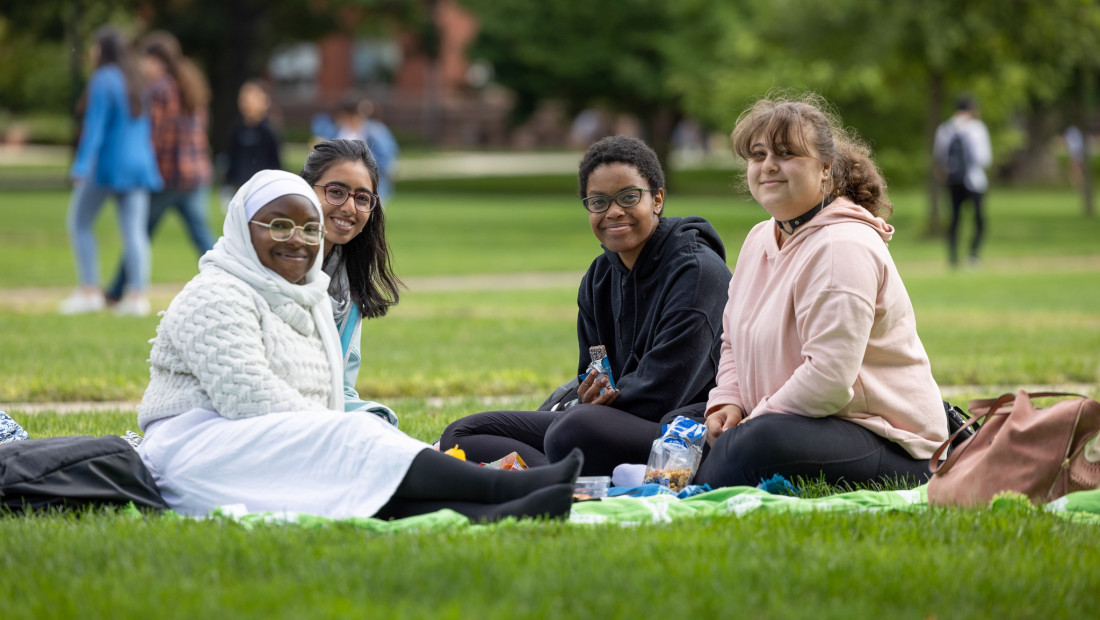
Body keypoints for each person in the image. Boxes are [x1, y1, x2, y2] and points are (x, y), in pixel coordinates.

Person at [136, 169, 582, 521]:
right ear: (242, 228)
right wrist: (339, 434)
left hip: (266, 444)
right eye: (279, 225)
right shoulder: (215, 292)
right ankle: (509, 488)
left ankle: (497, 512)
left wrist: (339, 436)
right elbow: (248, 398)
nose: (298, 239)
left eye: (311, 229)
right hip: (197, 454)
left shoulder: (306, 298)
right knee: (355, 440)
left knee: (352, 470)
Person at [694, 93, 948, 490]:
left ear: (826, 170)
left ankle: (683, 498)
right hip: (794, 419)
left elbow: (828, 379)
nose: (769, 165)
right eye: (758, 155)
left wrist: (751, 421)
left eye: (787, 153)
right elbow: (732, 342)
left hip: (889, 441)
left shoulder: (841, 246)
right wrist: (728, 402)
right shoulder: (760, 237)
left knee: (753, 443)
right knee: (688, 423)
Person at [439, 136, 732, 476]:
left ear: (657, 200)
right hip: (602, 421)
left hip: (682, 428)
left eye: (628, 197)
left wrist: (592, 409)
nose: (614, 211)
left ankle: (554, 471)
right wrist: (591, 392)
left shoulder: (697, 273)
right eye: (598, 202)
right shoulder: (598, 278)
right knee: (461, 434)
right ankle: (552, 474)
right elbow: (596, 366)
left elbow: (663, 393)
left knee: (573, 428)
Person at [106, 30, 215, 306]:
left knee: (138, 232)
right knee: (202, 237)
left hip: (168, 177)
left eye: (145, 58)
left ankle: (117, 291)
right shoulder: (190, 84)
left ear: (157, 60)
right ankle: (232, 281)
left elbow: (153, 135)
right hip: (195, 175)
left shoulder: (159, 89)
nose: (142, 65)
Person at [60, 25, 162, 316]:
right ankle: (138, 297)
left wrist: (80, 166)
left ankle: (89, 290)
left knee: (79, 222)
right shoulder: (137, 80)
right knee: (134, 232)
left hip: (109, 165)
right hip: (140, 164)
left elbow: (95, 128)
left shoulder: (103, 78)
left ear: (103, 50)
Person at [299, 139, 402, 424]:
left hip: (321, 415)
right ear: (305, 190)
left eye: (362, 198)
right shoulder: (277, 268)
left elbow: (341, 386)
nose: (349, 207)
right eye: (336, 192)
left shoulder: (348, 280)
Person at [933, 96, 992, 269]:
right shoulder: (977, 128)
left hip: (952, 180)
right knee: (978, 219)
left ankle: (953, 257)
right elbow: (984, 158)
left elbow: (939, 156)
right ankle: (973, 255)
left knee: (954, 219)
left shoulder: (945, 129)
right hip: (975, 180)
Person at [329, 97, 399, 201]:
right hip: (344, 180)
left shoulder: (374, 130)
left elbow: (386, 157)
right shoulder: (341, 130)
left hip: (369, 181)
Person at [223, 80, 283, 191]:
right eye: (244, 99)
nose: (247, 103)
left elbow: (276, 163)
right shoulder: (237, 129)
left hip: (263, 187)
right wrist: (227, 183)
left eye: (252, 99)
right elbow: (232, 159)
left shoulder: (269, 130)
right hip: (241, 186)